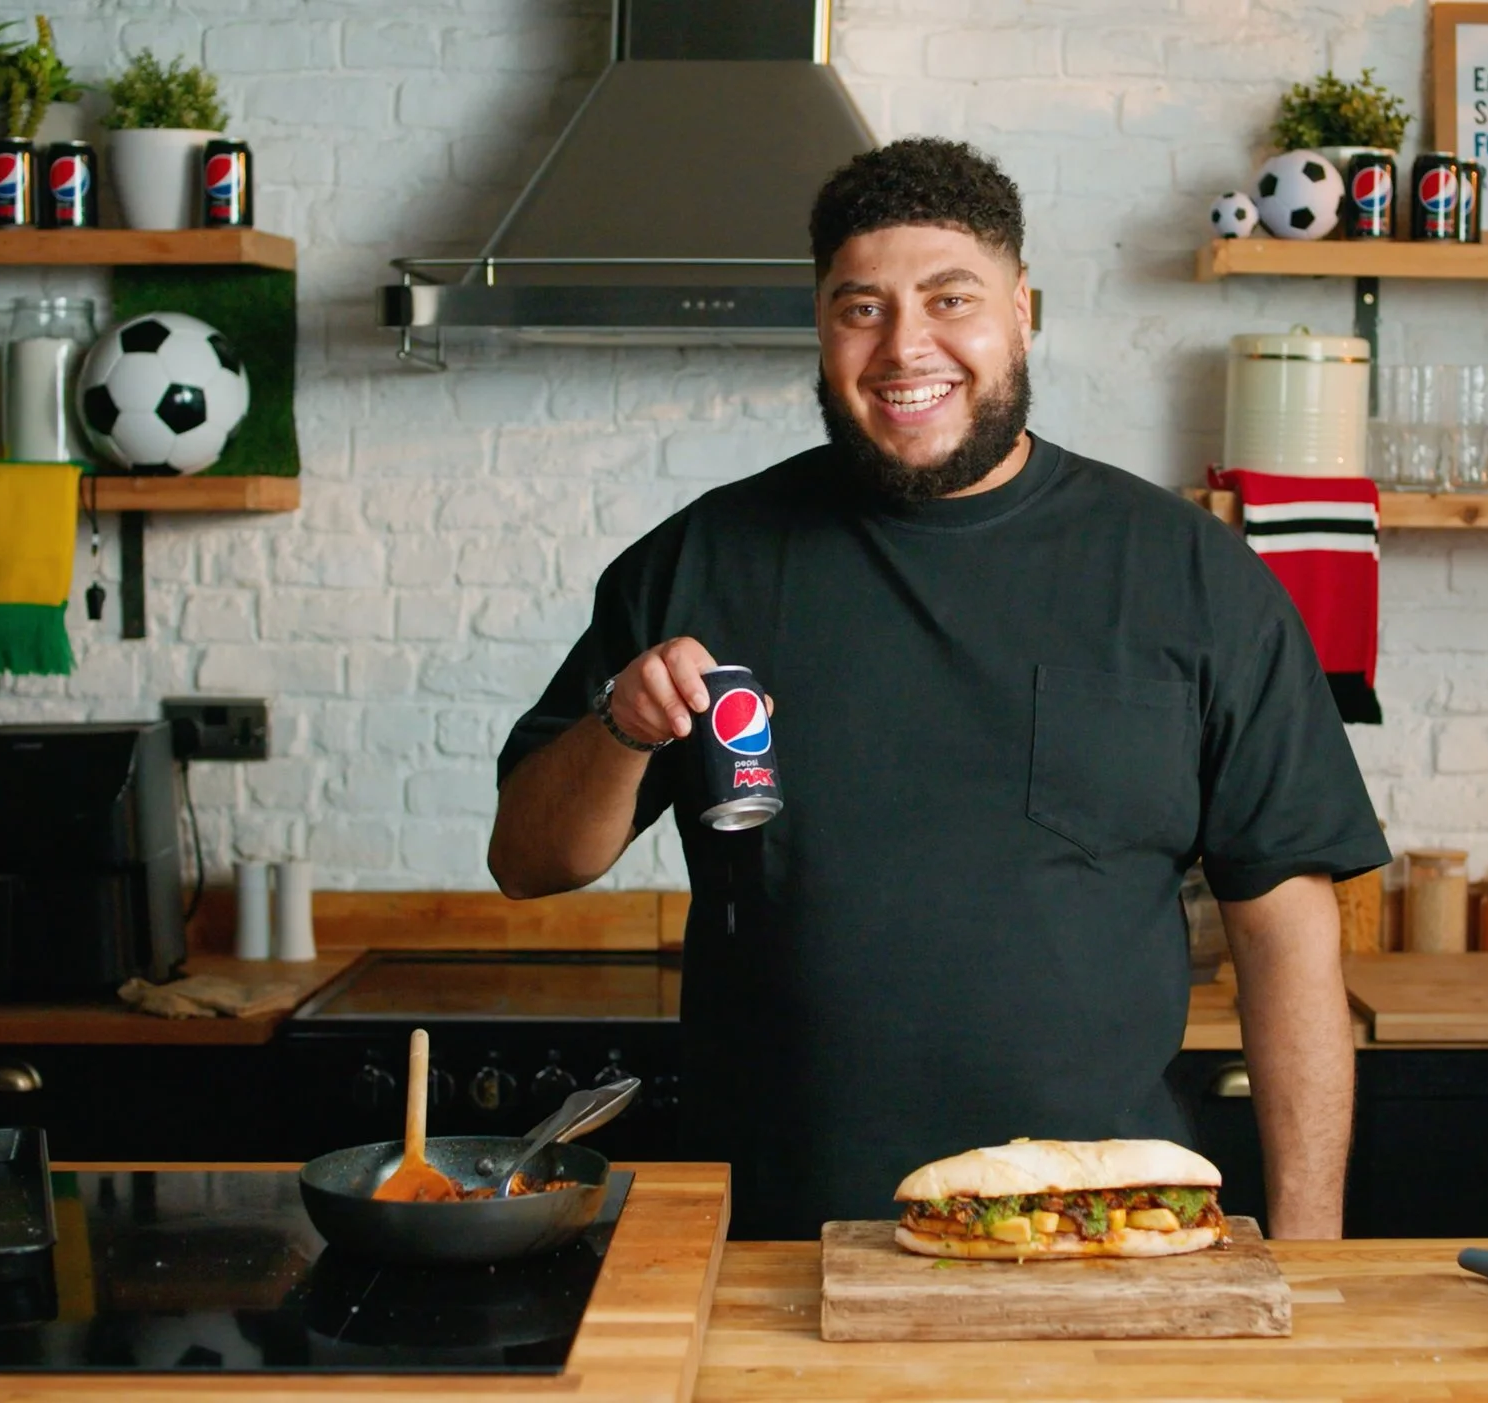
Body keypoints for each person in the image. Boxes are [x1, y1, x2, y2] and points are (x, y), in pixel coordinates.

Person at [489, 138, 1389, 1240]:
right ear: (821, 327)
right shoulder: (701, 561)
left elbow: (1288, 938)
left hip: (1098, 1236)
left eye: (949, 298)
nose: (904, 346)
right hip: (775, 1239)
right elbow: (529, 860)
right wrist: (621, 726)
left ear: (1022, 311)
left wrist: (1312, 1256)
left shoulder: (1192, 576)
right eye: (861, 308)